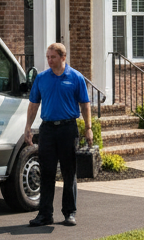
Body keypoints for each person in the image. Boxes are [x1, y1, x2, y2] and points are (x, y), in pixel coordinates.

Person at [23, 41, 92, 227]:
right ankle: (45, 214)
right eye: (48, 57)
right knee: (47, 172)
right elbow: (33, 104)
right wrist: (28, 127)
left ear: (63, 57)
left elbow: (85, 104)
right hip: (47, 130)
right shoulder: (41, 78)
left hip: (68, 129)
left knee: (69, 172)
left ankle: (69, 213)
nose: (49, 60)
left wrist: (88, 128)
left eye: (53, 57)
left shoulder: (76, 77)